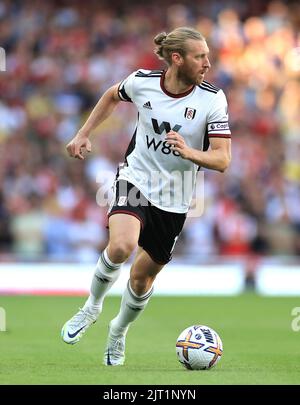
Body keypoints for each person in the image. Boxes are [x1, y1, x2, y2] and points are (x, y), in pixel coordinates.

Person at [61, 27, 231, 366]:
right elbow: (112, 95)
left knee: (142, 279)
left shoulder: (212, 99)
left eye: (207, 56)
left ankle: (118, 331)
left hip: (176, 199)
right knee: (121, 246)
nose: (208, 63)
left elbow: (223, 159)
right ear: (177, 58)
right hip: (136, 178)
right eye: (200, 57)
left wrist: (190, 153)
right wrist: (83, 133)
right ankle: (90, 307)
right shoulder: (143, 82)